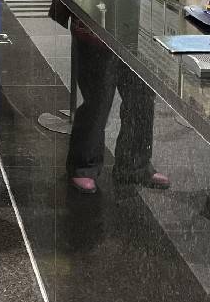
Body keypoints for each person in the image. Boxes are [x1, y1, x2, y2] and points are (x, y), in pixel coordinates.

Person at [66, 21, 169, 194]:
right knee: (98, 97)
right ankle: (83, 165)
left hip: (138, 26)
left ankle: (134, 163)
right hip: (98, 23)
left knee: (141, 95)